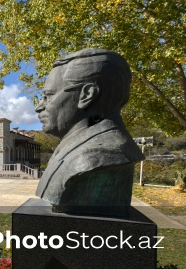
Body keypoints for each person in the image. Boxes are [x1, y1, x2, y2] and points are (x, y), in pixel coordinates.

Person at [35, 48, 145, 216]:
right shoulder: (73, 146)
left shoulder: (98, 153)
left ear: (86, 95)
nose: (39, 107)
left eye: (48, 96)